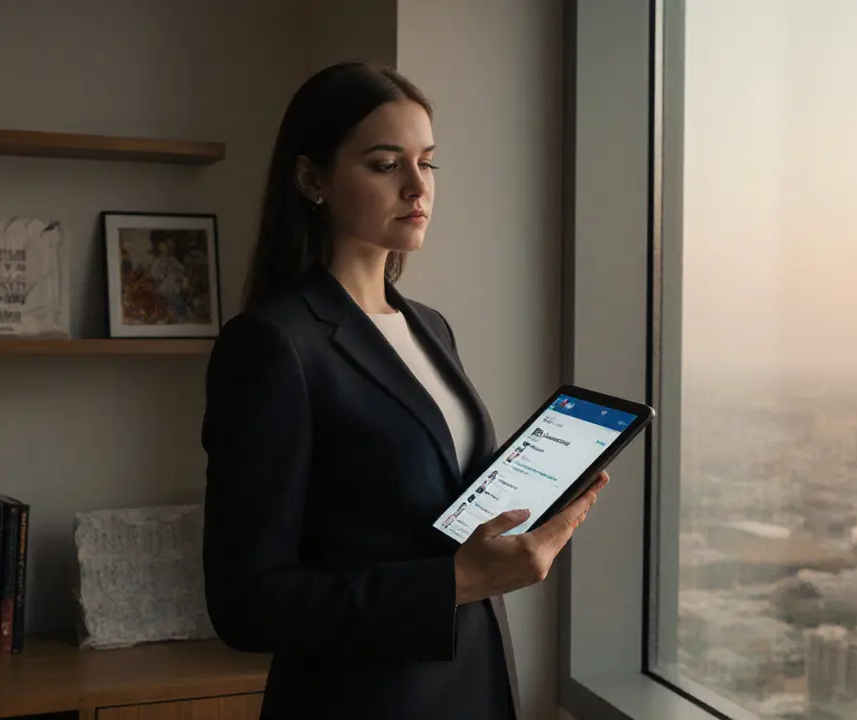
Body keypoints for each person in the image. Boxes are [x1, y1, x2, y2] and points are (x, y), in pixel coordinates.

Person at [200, 61, 608, 720]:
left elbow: (436, 512)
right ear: (312, 179)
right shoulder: (274, 346)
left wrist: (528, 513)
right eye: (386, 164)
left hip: (475, 690)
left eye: (428, 163)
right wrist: (460, 581)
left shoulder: (429, 328)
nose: (418, 187)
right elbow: (247, 604)